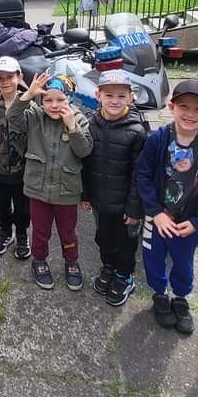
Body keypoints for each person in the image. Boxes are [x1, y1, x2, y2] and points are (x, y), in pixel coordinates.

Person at [136, 79, 198, 335]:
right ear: (171, 107)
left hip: (187, 222)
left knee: (184, 261)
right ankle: (159, 294)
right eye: (184, 106)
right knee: (153, 258)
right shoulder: (157, 140)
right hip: (157, 219)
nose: (190, 114)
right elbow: (142, 175)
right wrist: (155, 212)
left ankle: (180, 297)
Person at [8, 72, 93, 291]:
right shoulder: (35, 116)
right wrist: (28, 94)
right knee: (40, 230)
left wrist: (72, 127)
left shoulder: (79, 119)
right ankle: (39, 260)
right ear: (41, 101)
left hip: (66, 191)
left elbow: (84, 151)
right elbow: (12, 117)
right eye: (48, 100)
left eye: (60, 100)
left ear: (70, 99)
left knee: (68, 231)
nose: (54, 105)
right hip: (39, 190)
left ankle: (71, 261)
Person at [82, 70, 147, 307]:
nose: (115, 100)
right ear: (98, 95)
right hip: (100, 200)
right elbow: (86, 164)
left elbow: (139, 174)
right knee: (103, 237)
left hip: (124, 206)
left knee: (126, 243)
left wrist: (134, 207)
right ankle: (108, 266)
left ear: (131, 97)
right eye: (109, 95)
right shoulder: (91, 124)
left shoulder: (137, 131)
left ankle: (124, 275)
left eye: (122, 95)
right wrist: (85, 195)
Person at [0, 56, 31, 259]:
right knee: (1, 205)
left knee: (23, 207)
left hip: (24, 170)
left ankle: (21, 234)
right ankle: (5, 232)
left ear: (19, 77)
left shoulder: (28, 104)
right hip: (0, 170)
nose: (5, 81)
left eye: (9, 76)